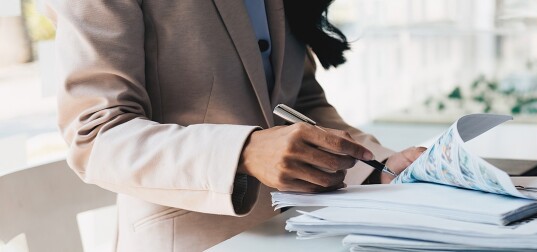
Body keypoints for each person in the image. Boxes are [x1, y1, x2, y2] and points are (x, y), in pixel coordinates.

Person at [45, 0, 426, 251]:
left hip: (304, 233)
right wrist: (244, 151)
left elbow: (299, 102)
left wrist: (376, 166)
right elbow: (96, 134)